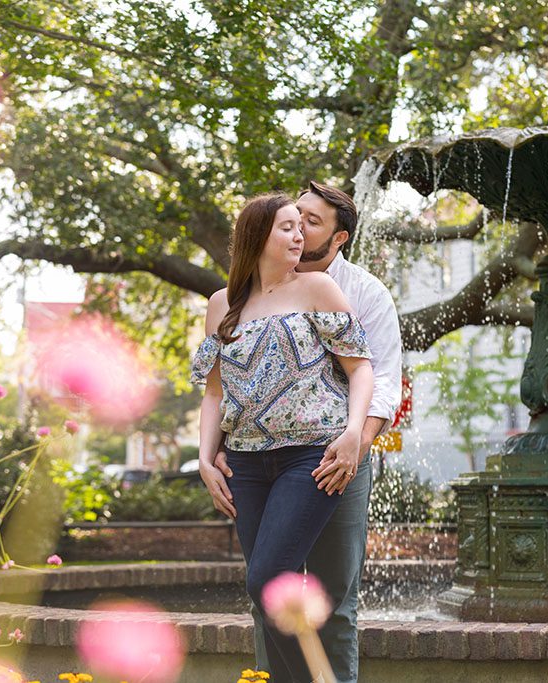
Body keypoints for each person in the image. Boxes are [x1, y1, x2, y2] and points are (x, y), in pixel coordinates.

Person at [209, 182, 402, 683]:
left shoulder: (360, 290)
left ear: (337, 239)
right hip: (255, 460)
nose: (299, 230)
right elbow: (222, 386)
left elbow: (378, 376)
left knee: (332, 600)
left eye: (310, 223)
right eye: (292, 220)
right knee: (266, 592)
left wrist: (354, 442)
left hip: (333, 454)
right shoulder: (236, 298)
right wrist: (215, 451)